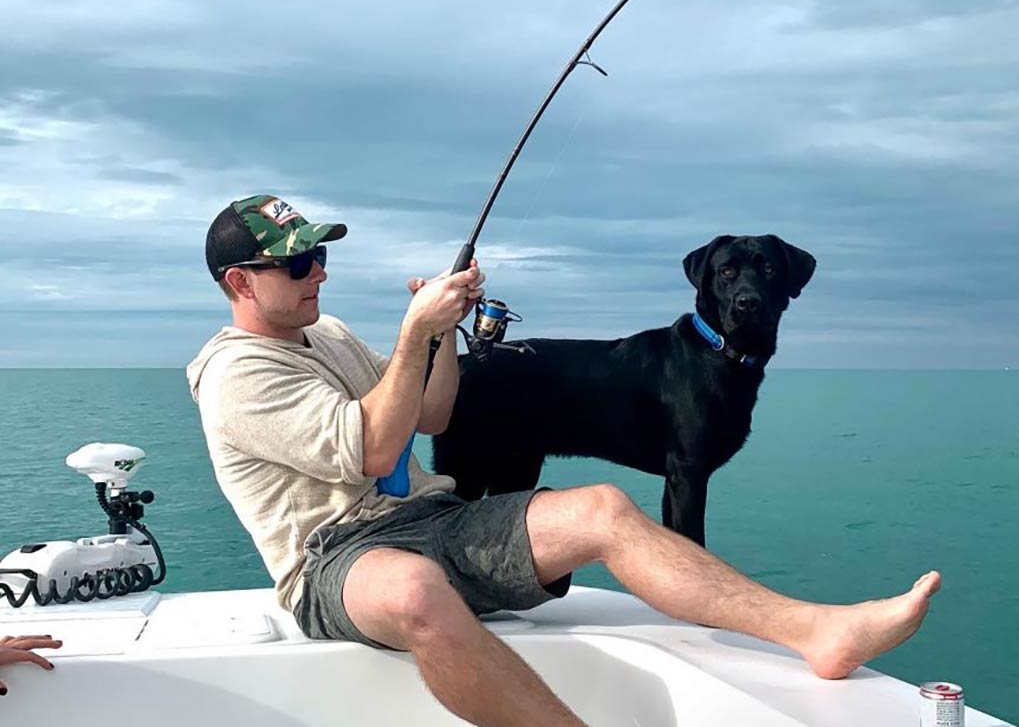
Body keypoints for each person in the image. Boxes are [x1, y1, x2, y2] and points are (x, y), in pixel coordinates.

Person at [188, 194, 942, 727]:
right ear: (240, 283)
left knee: (606, 506)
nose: (318, 269)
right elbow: (377, 446)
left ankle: (815, 630)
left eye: (319, 254)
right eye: (297, 263)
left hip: (432, 518)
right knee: (417, 588)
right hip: (334, 564)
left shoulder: (332, 336)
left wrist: (438, 335)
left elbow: (432, 415)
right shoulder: (236, 373)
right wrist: (415, 327)